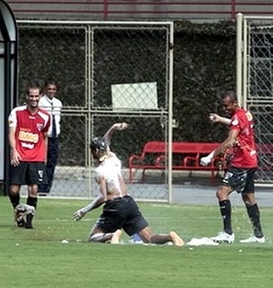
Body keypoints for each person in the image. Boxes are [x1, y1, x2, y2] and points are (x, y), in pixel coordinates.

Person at [73, 122, 185, 246]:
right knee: (149, 239)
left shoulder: (100, 171)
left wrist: (84, 210)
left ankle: (112, 235)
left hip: (115, 206)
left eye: (92, 150)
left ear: (96, 151)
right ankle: (170, 237)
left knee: (93, 237)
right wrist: (113, 128)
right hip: (129, 202)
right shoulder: (113, 159)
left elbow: (104, 197)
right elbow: (105, 143)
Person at [200, 90, 265, 244]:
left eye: (227, 106)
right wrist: (220, 119)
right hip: (251, 160)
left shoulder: (238, 116)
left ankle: (227, 233)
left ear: (234, 103)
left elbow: (230, 140)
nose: (225, 109)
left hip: (241, 163)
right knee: (249, 198)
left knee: (221, 192)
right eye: (223, 107)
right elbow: (236, 123)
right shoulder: (245, 113)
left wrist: (210, 156)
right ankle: (258, 235)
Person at [8, 84, 50, 229]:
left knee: (33, 189)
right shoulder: (17, 112)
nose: (34, 99)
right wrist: (14, 150)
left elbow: (44, 137)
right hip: (20, 156)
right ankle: (18, 212)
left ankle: (29, 222)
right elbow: (11, 133)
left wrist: (44, 155)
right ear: (26, 97)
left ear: (40, 97)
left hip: (36, 157)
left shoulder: (45, 116)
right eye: (31, 96)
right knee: (13, 190)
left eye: (36, 96)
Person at [38, 79, 62, 195]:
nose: (51, 91)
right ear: (45, 89)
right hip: (43, 135)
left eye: (53, 89)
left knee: (52, 162)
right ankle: (40, 186)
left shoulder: (58, 103)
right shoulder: (41, 102)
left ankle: (46, 188)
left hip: (54, 136)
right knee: (41, 160)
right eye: (49, 89)